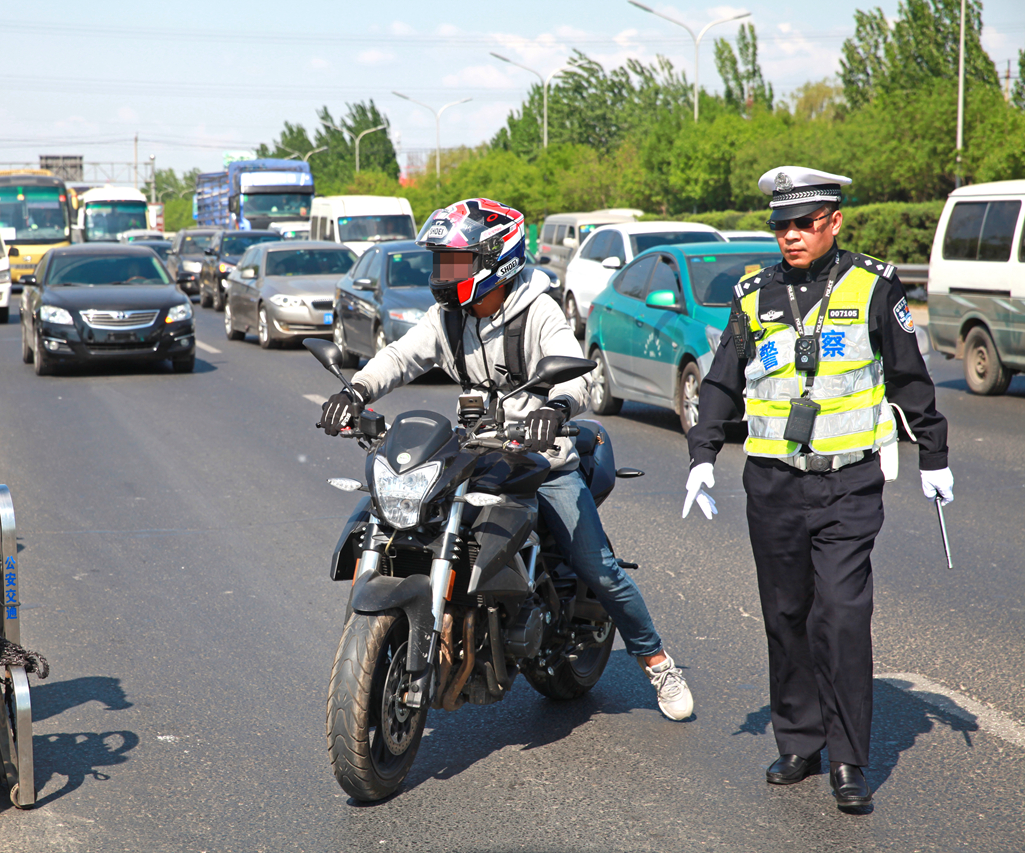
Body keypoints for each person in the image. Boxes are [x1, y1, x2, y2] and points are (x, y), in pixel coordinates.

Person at [321, 198, 694, 721]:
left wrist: (557, 406)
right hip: (477, 450)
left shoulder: (538, 310)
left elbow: (581, 375)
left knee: (598, 567)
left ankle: (656, 662)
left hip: (543, 457)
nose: (443, 274)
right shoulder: (449, 317)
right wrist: (357, 390)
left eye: (455, 262)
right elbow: (402, 356)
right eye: (441, 262)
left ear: (495, 262)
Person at [683, 167, 952, 809]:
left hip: (849, 484)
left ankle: (848, 759)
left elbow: (908, 379)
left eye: (805, 223)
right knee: (786, 614)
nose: (792, 235)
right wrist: (702, 453)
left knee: (841, 614)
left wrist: (934, 455)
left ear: (834, 222)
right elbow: (722, 380)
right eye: (781, 224)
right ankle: (799, 740)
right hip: (772, 483)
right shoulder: (753, 293)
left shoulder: (873, 286)